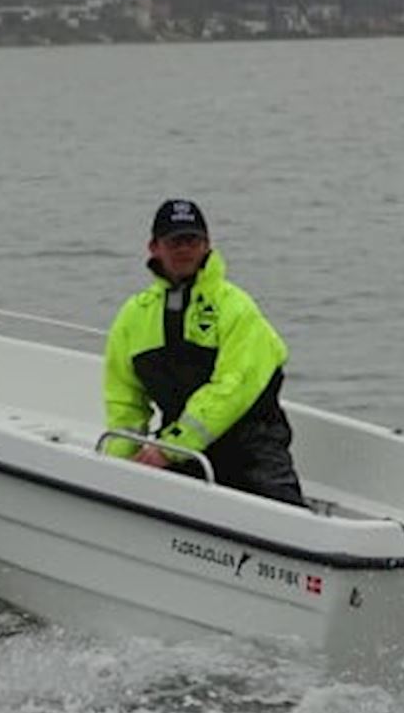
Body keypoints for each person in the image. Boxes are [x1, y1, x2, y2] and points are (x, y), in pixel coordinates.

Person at [102, 199, 305, 506]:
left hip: (251, 451)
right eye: (174, 242)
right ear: (154, 247)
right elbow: (125, 404)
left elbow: (232, 387)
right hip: (182, 453)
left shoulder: (237, 308)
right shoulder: (133, 317)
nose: (184, 249)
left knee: (288, 518)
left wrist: (168, 448)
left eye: (192, 240)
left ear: (207, 246)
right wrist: (115, 468)